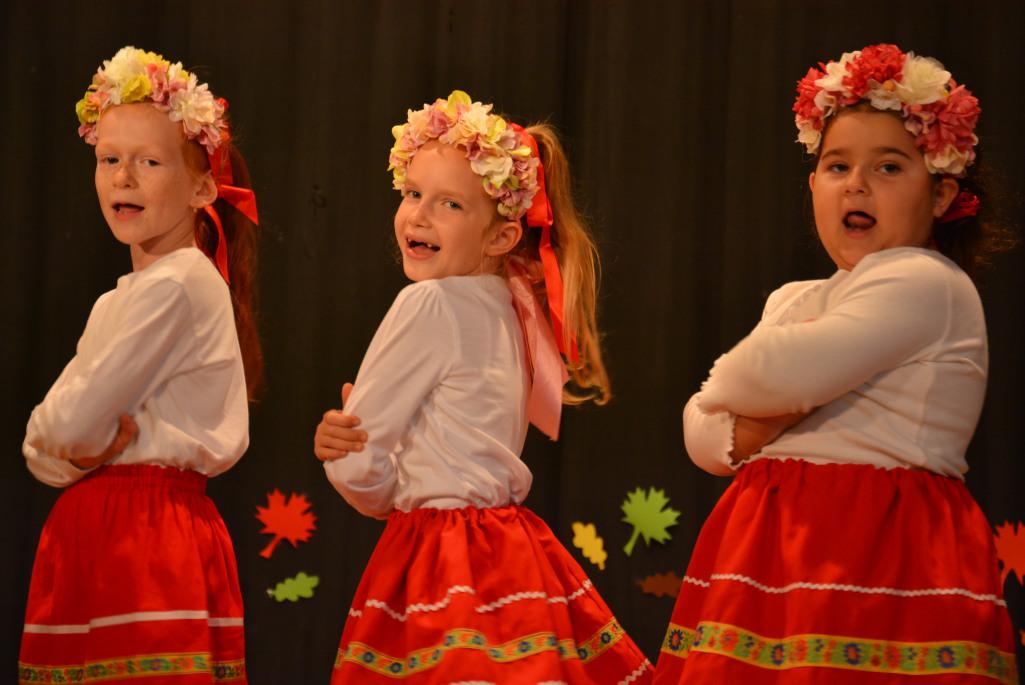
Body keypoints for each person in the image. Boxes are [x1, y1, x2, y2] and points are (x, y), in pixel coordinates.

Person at [654, 44, 1018, 684]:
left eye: (889, 167)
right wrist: (766, 412)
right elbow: (703, 437)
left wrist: (756, 402)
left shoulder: (927, 282)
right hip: (770, 547)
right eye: (837, 166)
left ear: (940, 194)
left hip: (872, 550)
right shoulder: (794, 300)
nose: (856, 184)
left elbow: (768, 374)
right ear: (813, 186)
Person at [314, 90, 652, 683]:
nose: (418, 216)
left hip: (440, 556)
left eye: (449, 203)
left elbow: (361, 461)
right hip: (511, 549)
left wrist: (352, 465)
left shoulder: (428, 303)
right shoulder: (514, 305)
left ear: (500, 237)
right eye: (412, 194)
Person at [19, 46, 260, 684]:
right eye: (109, 160)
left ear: (202, 188)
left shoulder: (178, 285)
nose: (123, 178)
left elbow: (61, 427)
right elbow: (48, 447)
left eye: (148, 162)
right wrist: (68, 449)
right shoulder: (123, 298)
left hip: (144, 532)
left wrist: (64, 444)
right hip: (107, 526)